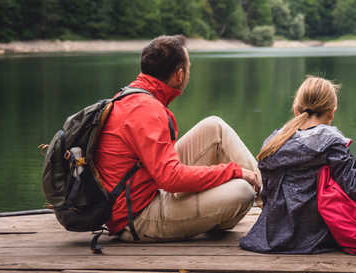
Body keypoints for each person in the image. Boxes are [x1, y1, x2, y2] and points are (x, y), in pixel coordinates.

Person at [94, 35, 263, 243]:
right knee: (243, 191)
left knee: (214, 126)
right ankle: (274, 207)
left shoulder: (133, 96)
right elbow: (171, 179)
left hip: (147, 187)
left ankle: (272, 203)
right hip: (136, 217)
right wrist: (232, 171)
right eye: (189, 66)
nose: (190, 71)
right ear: (180, 75)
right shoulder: (147, 110)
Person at [239, 76, 356, 254]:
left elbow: (268, 193)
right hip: (316, 236)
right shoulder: (330, 143)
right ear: (332, 112)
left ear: (296, 110)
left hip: (272, 235)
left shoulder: (273, 142)